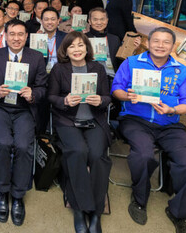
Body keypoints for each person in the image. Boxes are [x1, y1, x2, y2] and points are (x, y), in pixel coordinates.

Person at [112, 27, 186, 232]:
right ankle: (139, 199)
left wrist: (172, 109)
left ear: (173, 46)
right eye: (156, 41)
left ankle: (180, 213)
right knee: (143, 155)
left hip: (169, 124)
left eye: (166, 42)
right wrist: (127, 96)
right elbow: (116, 89)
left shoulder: (181, 70)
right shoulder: (132, 63)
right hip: (136, 120)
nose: (160, 46)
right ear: (148, 43)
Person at [0, 19, 47, 227]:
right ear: (5, 36)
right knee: (2, 143)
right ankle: (3, 191)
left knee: (23, 146)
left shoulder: (36, 58)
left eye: (20, 34)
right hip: (1, 107)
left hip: (24, 109)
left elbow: (43, 88)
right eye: (12, 34)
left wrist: (33, 94)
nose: (16, 38)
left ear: (26, 37)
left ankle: (18, 195)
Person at [47, 31, 112, 233]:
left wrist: (101, 101)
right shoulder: (59, 69)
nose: (77, 49)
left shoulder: (98, 68)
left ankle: (95, 213)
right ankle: (79, 208)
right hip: (68, 121)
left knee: (97, 155)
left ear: (87, 48)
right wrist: (64, 101)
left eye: (80, 45)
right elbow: (51, 97)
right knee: (77, 151)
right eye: (72, 46)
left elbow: (108, 97)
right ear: (65, 50)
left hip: (94, 120)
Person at [86, 7, 122, 76]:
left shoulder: (114, 39)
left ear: (107, 21)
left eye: (102, 19)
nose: (99, 23)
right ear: (89, 21)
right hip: (92, 77)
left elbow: (120, 62)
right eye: (95, 19)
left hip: (112, 77)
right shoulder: (84, 38)